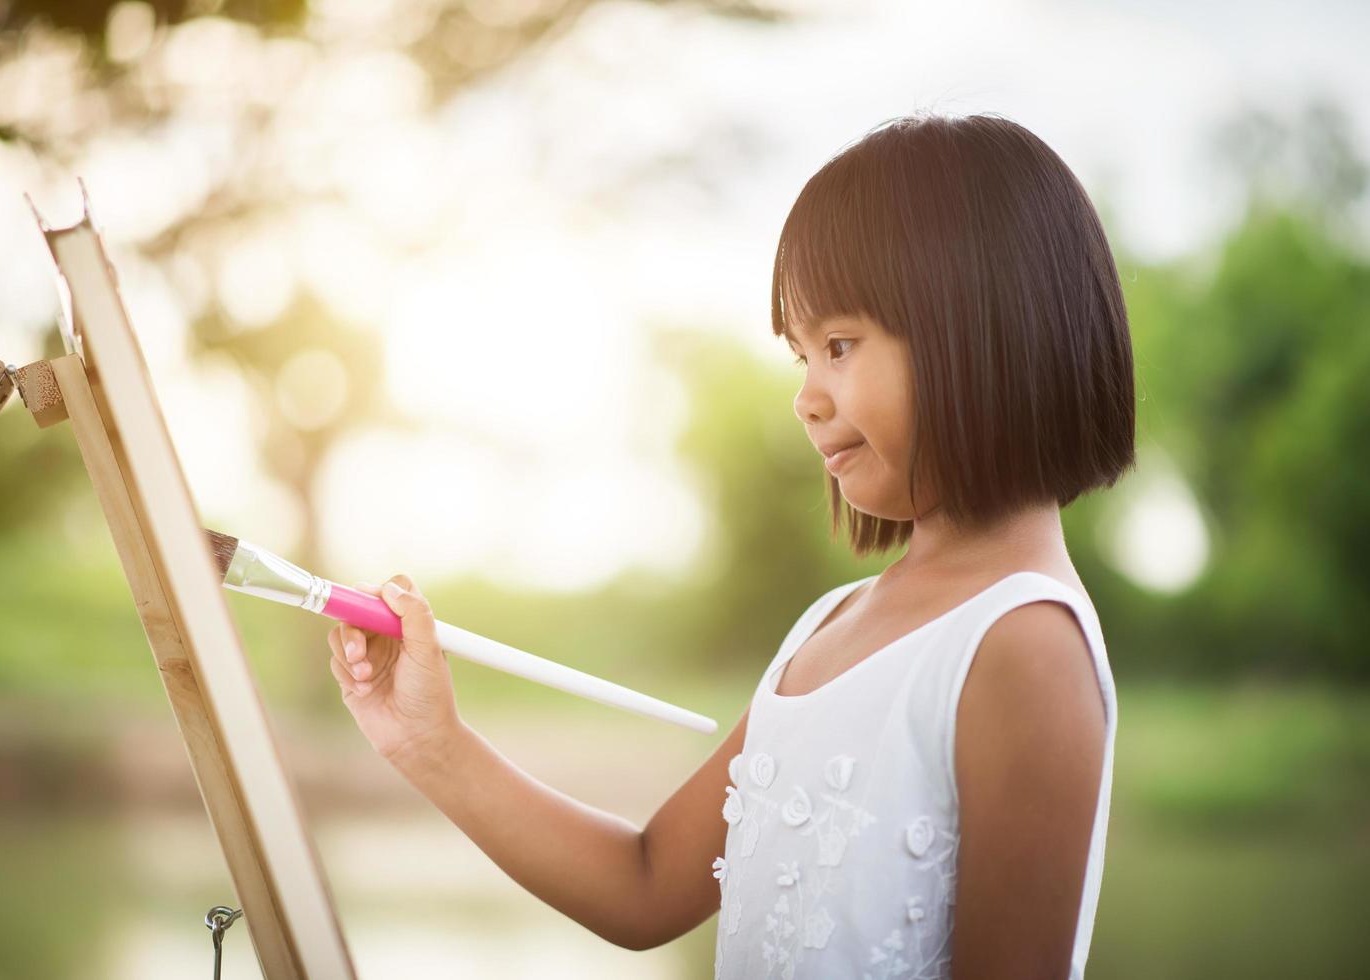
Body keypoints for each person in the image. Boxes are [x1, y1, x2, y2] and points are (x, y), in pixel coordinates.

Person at [326, 110, 1135, 979]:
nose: (806, 398)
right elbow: (644, 886)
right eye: (800, 356)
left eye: (838, 344)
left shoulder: (1021, 647)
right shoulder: (831, 624)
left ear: (980, 324)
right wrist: (429, 744)